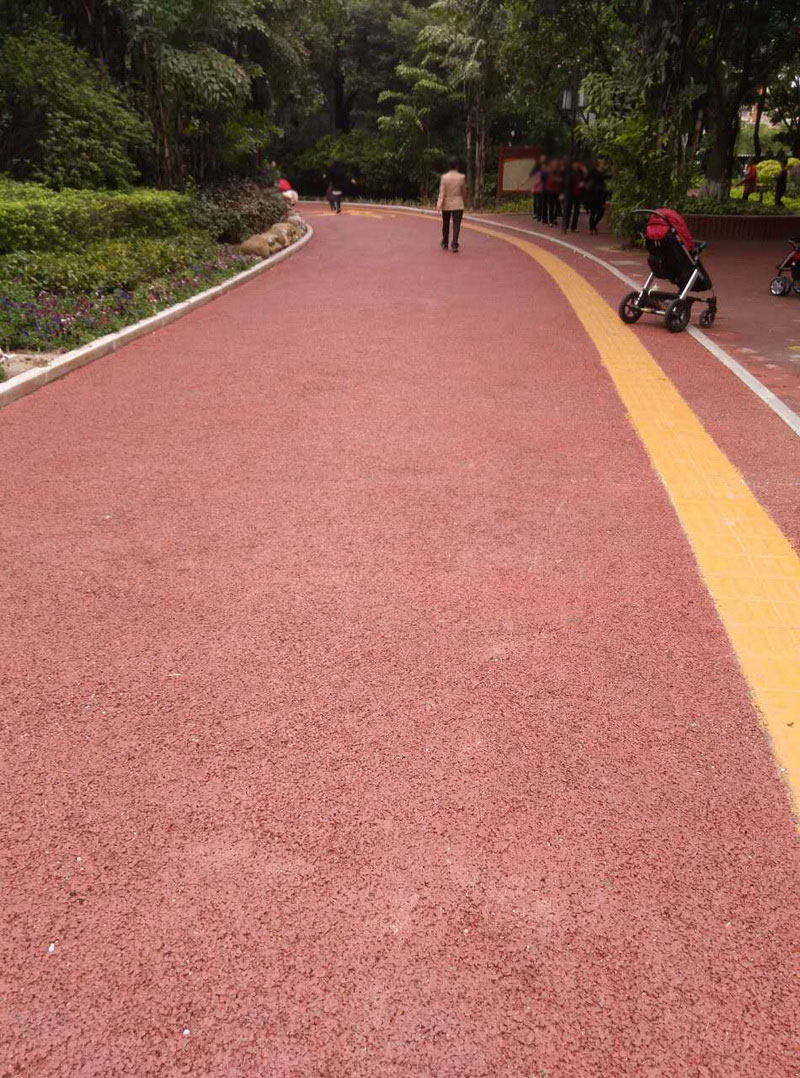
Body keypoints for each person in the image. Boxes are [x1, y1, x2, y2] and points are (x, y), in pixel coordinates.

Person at [436, 157, 467, 252]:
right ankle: (454, 244)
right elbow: (464, 191)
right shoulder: (461, 177)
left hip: (446, 204)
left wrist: (439, 204)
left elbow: (442, 192)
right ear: (457, 166)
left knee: (445, 224)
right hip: (458, 203)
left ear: (449, 166)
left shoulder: (444, 177)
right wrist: (464, 200)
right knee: (456, 224)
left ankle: (445, 243)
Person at [584, 160, 608, 234]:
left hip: (598, 194)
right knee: (595, 212)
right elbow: (587, 180)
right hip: (595, 194)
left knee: (598, 212)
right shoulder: (594, 172)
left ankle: (593, 226)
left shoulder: (601, 172)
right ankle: (592, 227)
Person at [564, 162, 586, 232]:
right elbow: (567, 185)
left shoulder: (581, 174)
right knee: (568, 211)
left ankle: (573, 227)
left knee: (576, 211)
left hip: (578, 195)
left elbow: (585, 180)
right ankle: (565, 226)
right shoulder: (570, 174)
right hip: (571, 195)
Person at [545, 159, 564, 226]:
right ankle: (550, 221)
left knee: (558, 205)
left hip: (557, 191)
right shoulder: (549, 171)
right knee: (551, 206)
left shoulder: (559, 172)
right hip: (550, 191)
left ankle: (554, 218)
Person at [529, 156, 546, 222]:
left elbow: (537, 181)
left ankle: (539, 216)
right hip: (537, 190)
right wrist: (533, 188)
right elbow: (534, 181)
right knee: (537, 203)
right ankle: (537, 215)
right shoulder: (537, 172)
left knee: (539, 203)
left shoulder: (543, 172)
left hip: (541, 189)